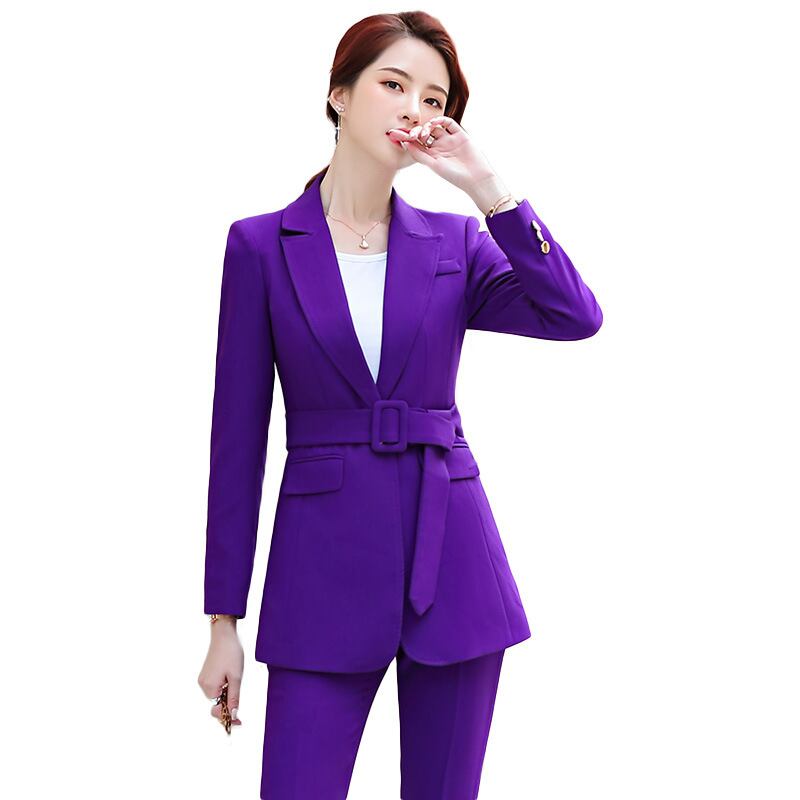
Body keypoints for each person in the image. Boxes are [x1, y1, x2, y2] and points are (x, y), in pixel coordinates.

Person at [197, 11, 603, 799]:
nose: (414, 108)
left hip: (454, 568)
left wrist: (487, 188)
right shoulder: (259, 246)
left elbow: (574, 315)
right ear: (339, 94)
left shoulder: (457, 244)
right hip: (320, 575)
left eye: (434, 97)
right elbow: (235, 442)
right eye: (393, 84)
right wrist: (223, 620)